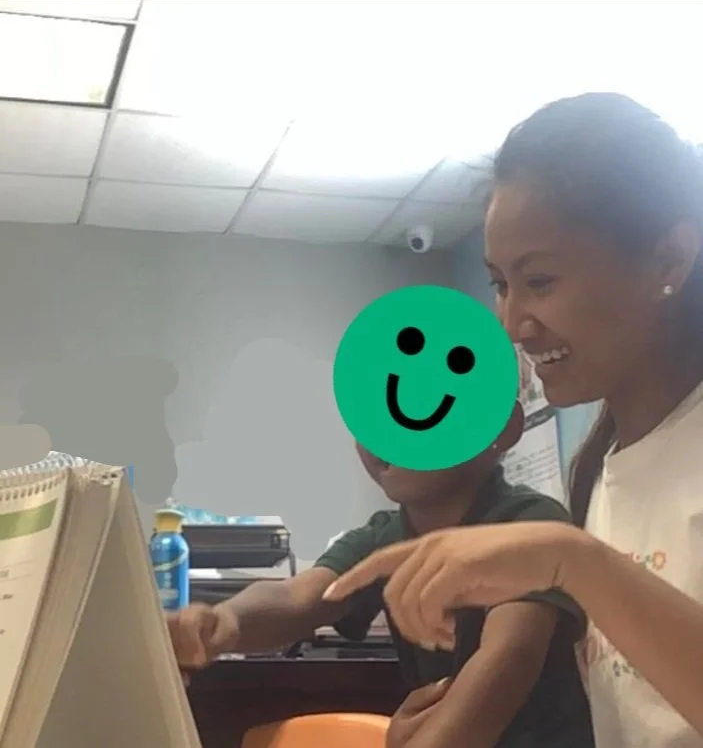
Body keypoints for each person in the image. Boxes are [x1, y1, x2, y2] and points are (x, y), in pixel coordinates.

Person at [325, 92, 703, 747]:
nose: (511, 324)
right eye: (501, 284)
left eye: (541, 280)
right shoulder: (596, 473)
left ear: (668, 260)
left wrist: (572, 561)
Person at [167, 403, 595, 747]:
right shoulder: (382, 537)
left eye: (421, 404)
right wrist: (227, 621)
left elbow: (508, 659)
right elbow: (301, 596)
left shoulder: (530, 523)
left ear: (502, 427)